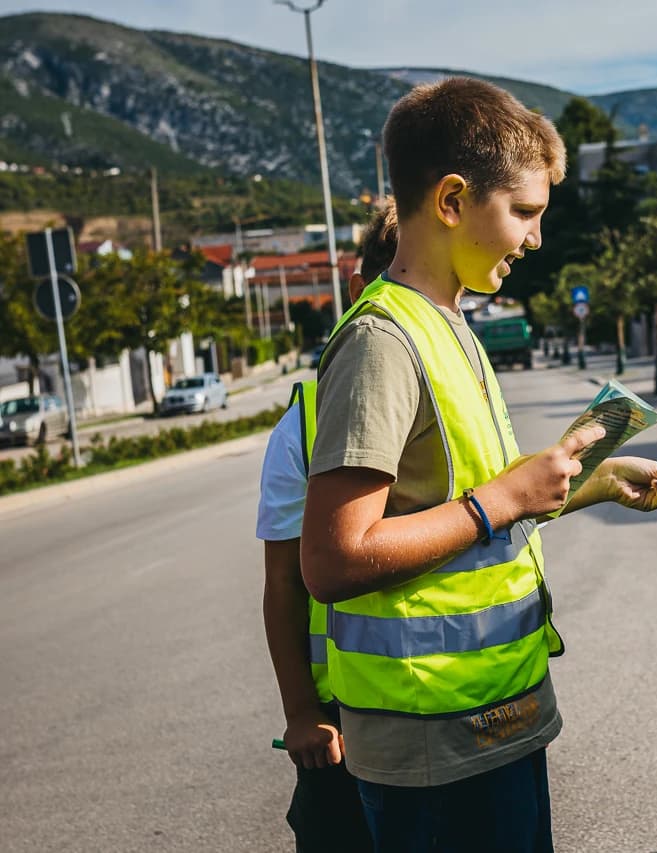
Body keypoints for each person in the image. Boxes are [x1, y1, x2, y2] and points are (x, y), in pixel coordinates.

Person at [299, 78, 657, 853]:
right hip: (431, 746)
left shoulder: (452, 324)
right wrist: (500, 498)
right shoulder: (383, 341)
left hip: (488, 720)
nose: (535, 238)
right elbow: (334, 558)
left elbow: (480, 509)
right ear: (451, 199)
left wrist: (594, 483)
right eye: (525, 212)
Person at [257, 200, 398, 853]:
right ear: (355, 285)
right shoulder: (305, 422)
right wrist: (301, 714)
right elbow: (284, 579)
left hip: (451, 700)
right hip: (343, 722)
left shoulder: (458, 385)